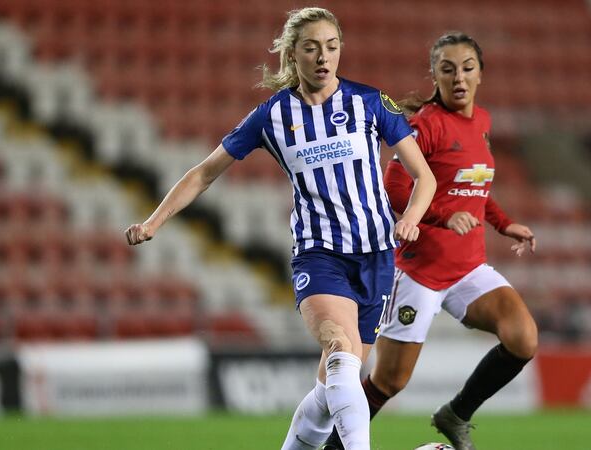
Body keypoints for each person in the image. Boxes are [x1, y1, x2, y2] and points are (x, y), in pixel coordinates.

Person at [124, 8, 435, 450]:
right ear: (293, 54)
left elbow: (425, 177)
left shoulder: (368, 102)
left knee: (332, 389)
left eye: (331, 46)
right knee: (340, 346)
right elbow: (205, 172)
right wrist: (154, 221)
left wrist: (410, 218)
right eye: (311, 48)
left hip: (377, 255)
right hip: (319, 253)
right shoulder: (272, 115)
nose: (323, 57)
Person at [320, 32, 538, 450]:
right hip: (419, 273)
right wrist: (440, 215)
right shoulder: (426, 125)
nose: (458, 77)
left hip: (468, 268)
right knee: (388, 382)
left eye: (467, 68)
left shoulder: (483, 123)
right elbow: (395, 188)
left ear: (480, 75)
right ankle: (330, 445)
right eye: (448, 68)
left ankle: (455, 415)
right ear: (434, 74)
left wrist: (504, 223)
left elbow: (474, 188)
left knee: (523, 337)